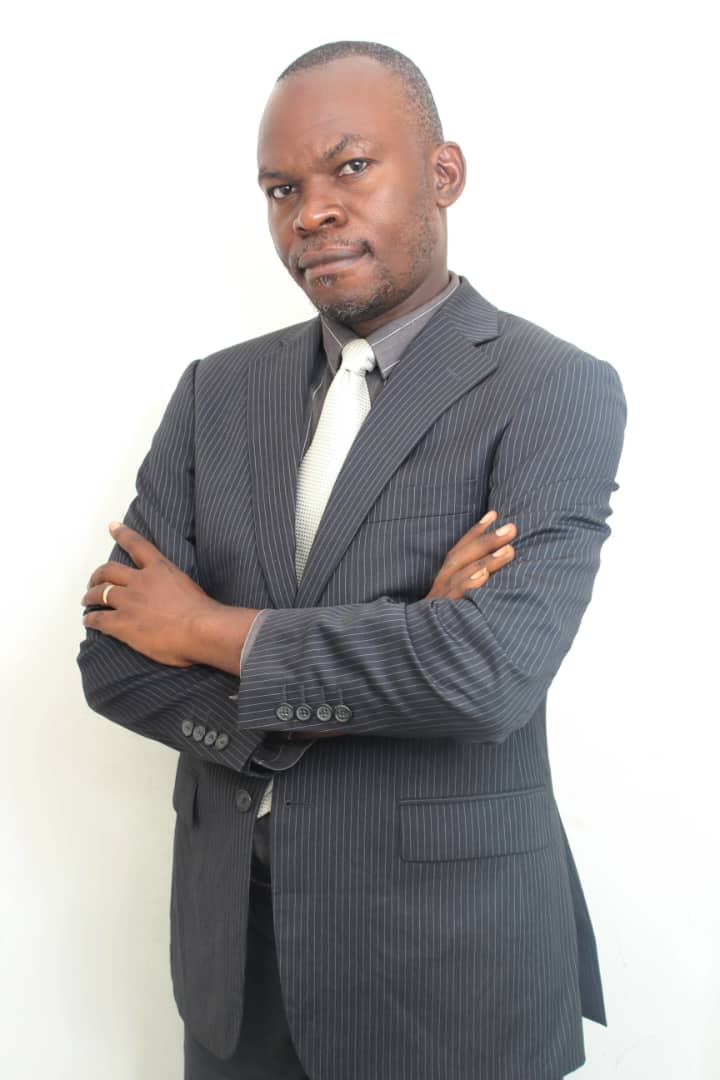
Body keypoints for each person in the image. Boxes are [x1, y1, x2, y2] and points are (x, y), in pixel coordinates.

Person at [78, 40, 626, 1080]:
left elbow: (488, 675)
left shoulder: (549, 387)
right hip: (237, 957)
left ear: (444, 173)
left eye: (351, 168)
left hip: (447, 965)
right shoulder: (215, 393)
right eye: (281, 189)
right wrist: (406, 637)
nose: (311, 212)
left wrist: (204, 629)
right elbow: (113, 657)